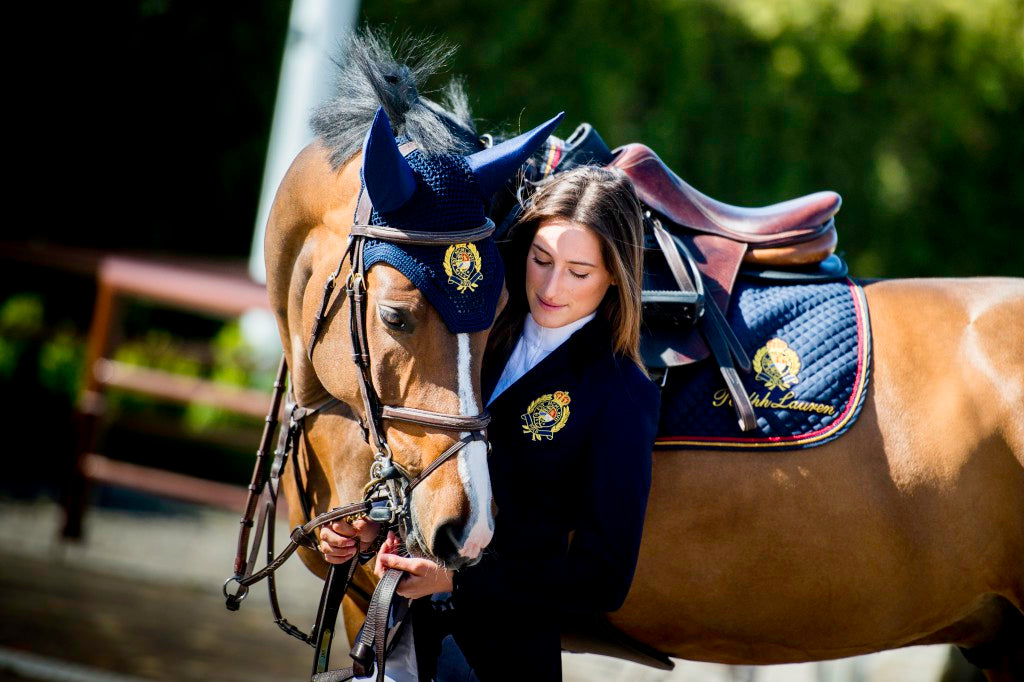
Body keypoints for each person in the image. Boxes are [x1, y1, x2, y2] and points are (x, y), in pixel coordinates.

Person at [319, 166, 660, 681]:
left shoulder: (622, 394)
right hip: (394, 638)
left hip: (499, 660)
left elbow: (603, 580)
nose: (551, 286)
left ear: (614, 275)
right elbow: (433, 466)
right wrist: (368, 528)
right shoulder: (474, 333)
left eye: (579, 272)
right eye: (541, 260)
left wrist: (456, 582)